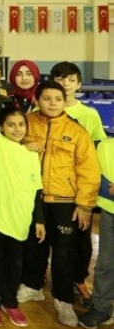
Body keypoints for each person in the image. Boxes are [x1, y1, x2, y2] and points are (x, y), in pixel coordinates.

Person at [16, 81, 100, 328]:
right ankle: (33, 286)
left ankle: (63, 300)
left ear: (65, 102)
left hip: (65, 201)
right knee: (33, 246)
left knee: (64, 253)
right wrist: (23, 146)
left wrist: (84, 205)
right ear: (37, 100)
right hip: (32, 197)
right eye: (46, 98)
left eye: (57, 99)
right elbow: (8, 147)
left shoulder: (77, 131)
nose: (52, 103)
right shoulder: (25, 123)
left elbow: (89, 171)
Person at [0, 108, 45, 327]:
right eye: (10, 125)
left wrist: (39, 220)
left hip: (20, 220)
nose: (17, 129)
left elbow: (36, 189)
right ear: (1, 127)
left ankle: (10, 302)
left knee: (15, 265)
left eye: (21, 124)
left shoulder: (32, 154)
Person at [50, 62, 107, 309]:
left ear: (79, 84)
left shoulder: (89, 115)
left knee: (80, 241)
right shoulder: (41, 107)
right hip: (49, 188)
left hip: (77, 190)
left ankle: (78, 280)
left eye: (70, 79)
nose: (65, 84)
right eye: (59, 79)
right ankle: (36, 278)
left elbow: (97, 151)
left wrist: (88, 191)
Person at [77, 137, 114, 329]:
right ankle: (101, 308)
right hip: (110, 212)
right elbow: (97, 179)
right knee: (105, 265)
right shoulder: (105, 147)